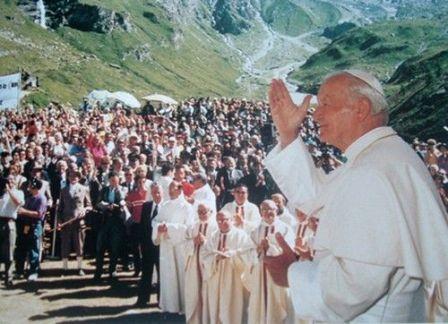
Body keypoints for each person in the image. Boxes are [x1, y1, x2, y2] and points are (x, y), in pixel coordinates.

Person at [264, 71, 448, 321]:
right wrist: (288, 135)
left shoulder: (374, 170)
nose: (315, 114)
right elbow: (323, 199)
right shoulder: (382, 156)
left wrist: (292, 274)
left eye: (326, 104)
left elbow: (354, 287)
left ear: (361, 109)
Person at [246, 200, 295, 324]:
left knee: (278, 306)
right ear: (260, 212)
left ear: (277, 210)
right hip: (260, 274)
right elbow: (249, 252)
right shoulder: (256, 231)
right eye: (264, 209)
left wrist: (270, 249)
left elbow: (290, 253)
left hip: (278, 274)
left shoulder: (285, 229)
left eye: (271, 209)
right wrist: (259, 250)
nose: (268, 212)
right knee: (260, 305)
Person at [201, 210, 254, 324]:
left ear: (232, 220)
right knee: (217, 302)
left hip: (234, 276)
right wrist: (216, 258)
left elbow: (248, 253)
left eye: (225, 220)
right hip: (216, 276)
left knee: (233, 304)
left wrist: (233, 254)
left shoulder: (241, 235)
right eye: (219, 220)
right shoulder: (214, 236)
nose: (222, 223)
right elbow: (204, 254)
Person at [152, 180, 194, 314]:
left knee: (181, 275)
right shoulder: (165, 205)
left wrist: (169, 228)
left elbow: (189, 228)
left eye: (173, 188)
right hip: (166, 246)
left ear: (180, 190)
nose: (170, 191)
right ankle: (170, 305)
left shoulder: (186, 207)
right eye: (169, 189)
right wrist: (159, 227)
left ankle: (183, 306)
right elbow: (155, 221)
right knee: (168, 276)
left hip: (180, 246)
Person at [184, 203, 217, 324]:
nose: (202, 215)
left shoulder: (216, 227)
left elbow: (218, 245)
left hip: (208, 266)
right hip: (194, 263)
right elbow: (184, 243)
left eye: (205, 212)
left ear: (211, 212)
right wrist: (193, 241)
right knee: (194, 291)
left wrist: (205, 241)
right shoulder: (193, 226)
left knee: (208, 292)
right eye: (199, 212)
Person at [94, 172, 128, 282]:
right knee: (101, 248)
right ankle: (98, 271)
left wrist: (116, 206)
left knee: (115, 247)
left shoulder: (122, 189)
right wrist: (105, 205)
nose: (114, 183)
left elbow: (123, 203)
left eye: (116, 181)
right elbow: (97, 203)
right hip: (104, 221)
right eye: (112, 180)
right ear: (109, 180)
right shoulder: (104, 190)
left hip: (116, 222)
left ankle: (112, 270)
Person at [57, 170, 91, 276]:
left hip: (78, 221)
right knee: (65, 245)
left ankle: (80, 267)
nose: (73, 177)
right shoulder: (63, 190)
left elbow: (89, 205)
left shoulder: (84, 189)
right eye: (71, 176)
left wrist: (84, 210)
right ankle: (64, 267)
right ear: (68, 177)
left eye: (76, 176)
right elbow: (60, 208)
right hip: (66, 221)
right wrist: (59, 221)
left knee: (79, 245)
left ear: (79, 177)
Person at [136, 183, 164, 307]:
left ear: (163, 193)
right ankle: (142, 299)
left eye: (158, 192)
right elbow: (142, 227)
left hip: (161, 246)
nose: (156, 195)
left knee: (161, 274)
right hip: (147, 246)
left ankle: (161, 300)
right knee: (146, 273)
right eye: (154, 192)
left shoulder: (167, 207)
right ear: (151, 194)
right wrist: (141, 245)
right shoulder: (146, 206)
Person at [16, 178, 48, 281]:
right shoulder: (29, 198)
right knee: (22, 247)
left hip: (35, 225)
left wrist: (24, 211)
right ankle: (19, 270)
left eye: (30, 185)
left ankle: (34, 271)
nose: (28, 187)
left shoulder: (41, 199)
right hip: (25, 225)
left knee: (33, 248)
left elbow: (39, 214)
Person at [0, 176, 25, 287]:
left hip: (9, 222)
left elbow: (18, 202)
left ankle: (8, 277)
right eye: (8, 180)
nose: (9, 182)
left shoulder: (19, 192)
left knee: (9, 252)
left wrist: (9, 191)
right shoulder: (2, 194)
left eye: (12, 180)